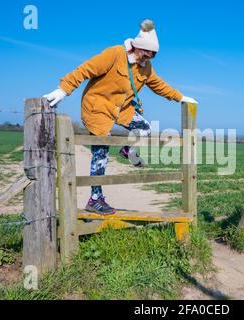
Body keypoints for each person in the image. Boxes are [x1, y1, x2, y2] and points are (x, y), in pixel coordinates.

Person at [43, 19, 197, 214]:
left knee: (145, 129)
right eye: (145, 55)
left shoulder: (145, 67)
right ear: (136, 48)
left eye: (152, 57)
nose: (147, 60)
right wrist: (63, 89)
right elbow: (85, 69)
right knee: (101, 152)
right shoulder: (115, 54)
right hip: (97, 108)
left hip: (121, 109)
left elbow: (159, 84)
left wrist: (180, 97)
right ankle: (95, 199)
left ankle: (128, 151)